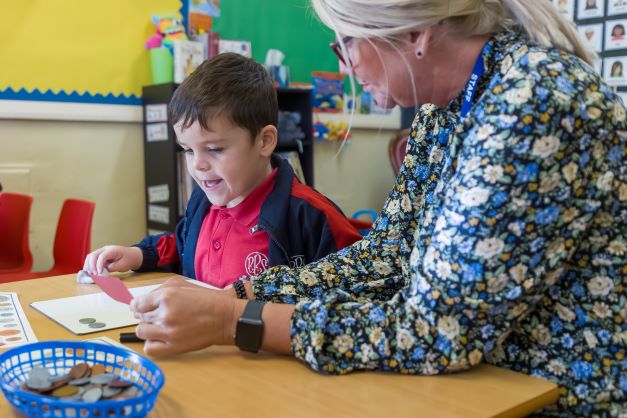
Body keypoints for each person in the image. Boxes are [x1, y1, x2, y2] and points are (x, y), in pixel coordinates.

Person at [130, 1, 626, 416]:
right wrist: (242, 291)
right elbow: (385, 255)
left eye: (345, 43)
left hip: (546, 396)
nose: (344, 66)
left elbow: (436, 332)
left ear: (414, 34)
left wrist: (231, 320)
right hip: (478, 382)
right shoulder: (446, 108)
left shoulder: (533, 103)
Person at [83, 53, 362, 288]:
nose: (198, 165)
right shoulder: (204, 201)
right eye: (188, 150)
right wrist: (137, 254)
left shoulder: (310, 216)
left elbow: (364, 279)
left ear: (264, 141)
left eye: (214, 149)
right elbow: (181, 244)